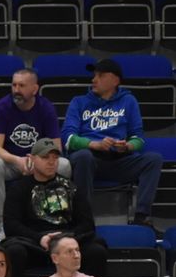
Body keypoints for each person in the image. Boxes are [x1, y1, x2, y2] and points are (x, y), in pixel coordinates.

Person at [62, 58, 164, 227]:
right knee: (84, 156)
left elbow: (138, 138)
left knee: (153, 159)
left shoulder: (129, 101)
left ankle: (142, 217)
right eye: (94, 75)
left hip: (118, 160)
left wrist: (127, 146)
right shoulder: (78, 102)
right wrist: (93, 144)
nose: (94, 80)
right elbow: (68, 137)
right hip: (89, 162)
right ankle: (83, 220)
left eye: (100, 75)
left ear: (115, 80)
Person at [3, 138, 108, 277]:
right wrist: (39, 238)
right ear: (32, 158)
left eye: (55, 158)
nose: (51, 162)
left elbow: (87, 224)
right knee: (14, 251)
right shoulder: (19, 188)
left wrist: (65, 238)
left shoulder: (71, 187)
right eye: (45, 157)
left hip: (67, 242)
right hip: (34, 244)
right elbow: (11, 225)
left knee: (96, 251)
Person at [0, 68, 71, 220]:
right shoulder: (1, 107)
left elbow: (56, 147)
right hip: (11, 163)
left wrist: (37, 162)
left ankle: (52, 216)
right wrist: (18, 160)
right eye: (14, 85)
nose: (16, 90)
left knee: (63, 165)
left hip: (39, 161)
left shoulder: (46, 108)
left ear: (34, 89)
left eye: (21, 86)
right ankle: (1, 219)